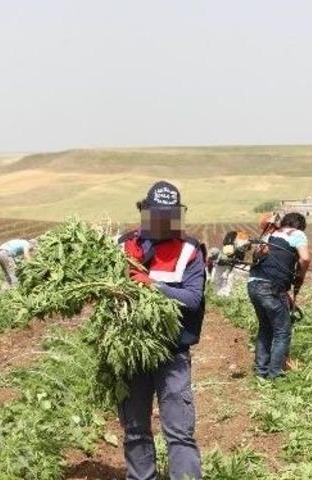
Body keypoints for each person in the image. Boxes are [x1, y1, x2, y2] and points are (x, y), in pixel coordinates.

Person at [117, 180, 205, 480]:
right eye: (157, 215)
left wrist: (153, 286)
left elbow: (193, 299)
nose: (163, 222)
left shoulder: (190, 250)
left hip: (172, 352)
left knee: (179, 431)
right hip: (130, 352)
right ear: (145, 212)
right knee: (135, 428)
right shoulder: (124, 244)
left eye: (169, 216)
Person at [246, 211, 310, 379]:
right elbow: (305, 259)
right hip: (271, 287)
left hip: (253, 284)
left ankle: (261, 372)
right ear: (300, 226)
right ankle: (275, 375)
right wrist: (299, 277)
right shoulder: (297, 234)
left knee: (265, 328)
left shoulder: (270, 233)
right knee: (282, 332)